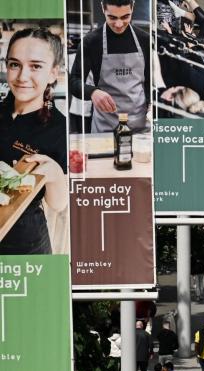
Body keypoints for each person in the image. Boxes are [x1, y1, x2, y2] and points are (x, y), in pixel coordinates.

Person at [0, 27, 69, 256]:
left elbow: (57, 204)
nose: (22, 77)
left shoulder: (60, 128)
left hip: (25, 244)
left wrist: (54, 173)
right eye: (14, 64)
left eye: (36, 66)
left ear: (52, 73)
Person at [69, 0, 151, 133]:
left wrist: (151, 103)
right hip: (105, 126)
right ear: (103, 8)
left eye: (125, 17)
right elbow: (74, 81)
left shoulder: (145, 39)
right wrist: (92, 92)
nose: (119, 24)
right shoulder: (91, 42)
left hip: (139, 126)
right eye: (112, 17)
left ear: (133, 7)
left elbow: (149, 82)